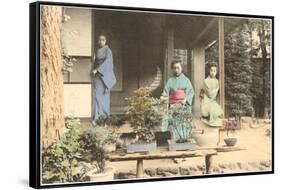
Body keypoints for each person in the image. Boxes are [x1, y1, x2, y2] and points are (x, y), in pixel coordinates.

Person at [160, 60, 194, 141]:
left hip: (183, 105)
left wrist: (185, 100)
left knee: (184, 120)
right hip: (173, 106)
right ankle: (175, 139)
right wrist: (164, 97)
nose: (176, 70)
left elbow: (191, 92)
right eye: (174, 68)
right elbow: (165, 93)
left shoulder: (186, 80)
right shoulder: (170, 80)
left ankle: (185, 138)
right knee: (172, 119)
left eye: (178, 68)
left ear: (181, 68)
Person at [92, 34, 116, 125]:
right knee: (97, 96)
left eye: (103, 40)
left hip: (105, 75)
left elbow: (108, 62)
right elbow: (94, 61)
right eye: (99, 40)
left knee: (105, 96)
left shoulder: (108, 50)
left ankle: (105, 117)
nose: (101, 41)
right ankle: (98, 117)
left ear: (105, 41)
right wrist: (94, 61)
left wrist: (97, 69)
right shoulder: (96, 50)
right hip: (98, 76)